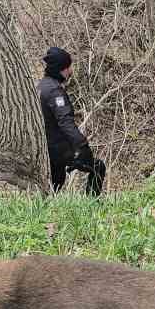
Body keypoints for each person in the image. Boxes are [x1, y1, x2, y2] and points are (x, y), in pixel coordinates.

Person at [37, 46, 105, 196]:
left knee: (55, 182)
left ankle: (44, 210)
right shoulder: (55, 92)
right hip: (57, 148)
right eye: (68, 67)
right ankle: (92, 205)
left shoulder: (40, 86)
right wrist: (82, 145)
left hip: (43, 147)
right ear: (61, 69)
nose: (70, 71)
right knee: (97, 167)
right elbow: (65, 123)